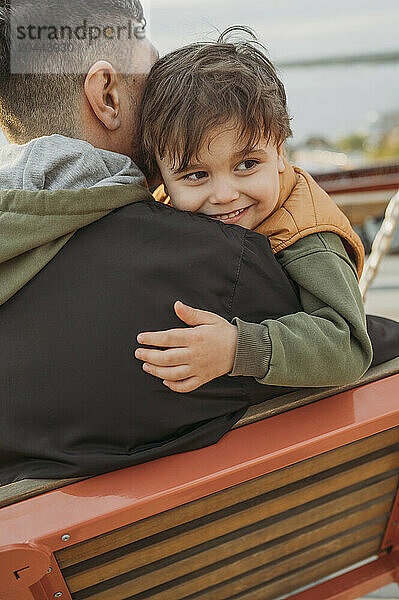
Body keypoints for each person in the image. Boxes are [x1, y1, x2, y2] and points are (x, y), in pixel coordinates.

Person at [0, 2, 397, 487]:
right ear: (106, 95)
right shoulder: (216, 267)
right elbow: (366, 347)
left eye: (247, 163)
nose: (225, 193)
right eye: (152, 79)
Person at [134, 29, 373, 393]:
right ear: (161, 177)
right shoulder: (164, 202)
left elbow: (348, 345)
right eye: (197, 175)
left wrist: (236, 348)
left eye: (246, 164)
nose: (226, 194)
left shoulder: (308, 240)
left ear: (279, 151)